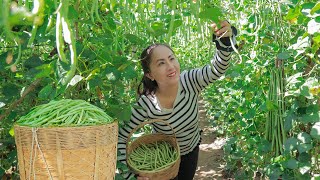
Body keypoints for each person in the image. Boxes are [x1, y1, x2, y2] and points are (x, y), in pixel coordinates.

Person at [117, 20, 238, 180]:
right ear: (150, 75)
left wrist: (224, 41)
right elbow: (121, 137)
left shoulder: (189, 80)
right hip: (163, 161)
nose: (170, 66)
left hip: (191, 150)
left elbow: (217, 69)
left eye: (171, 58)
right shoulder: (146, 103)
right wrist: (129, 176)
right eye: (161, 63)